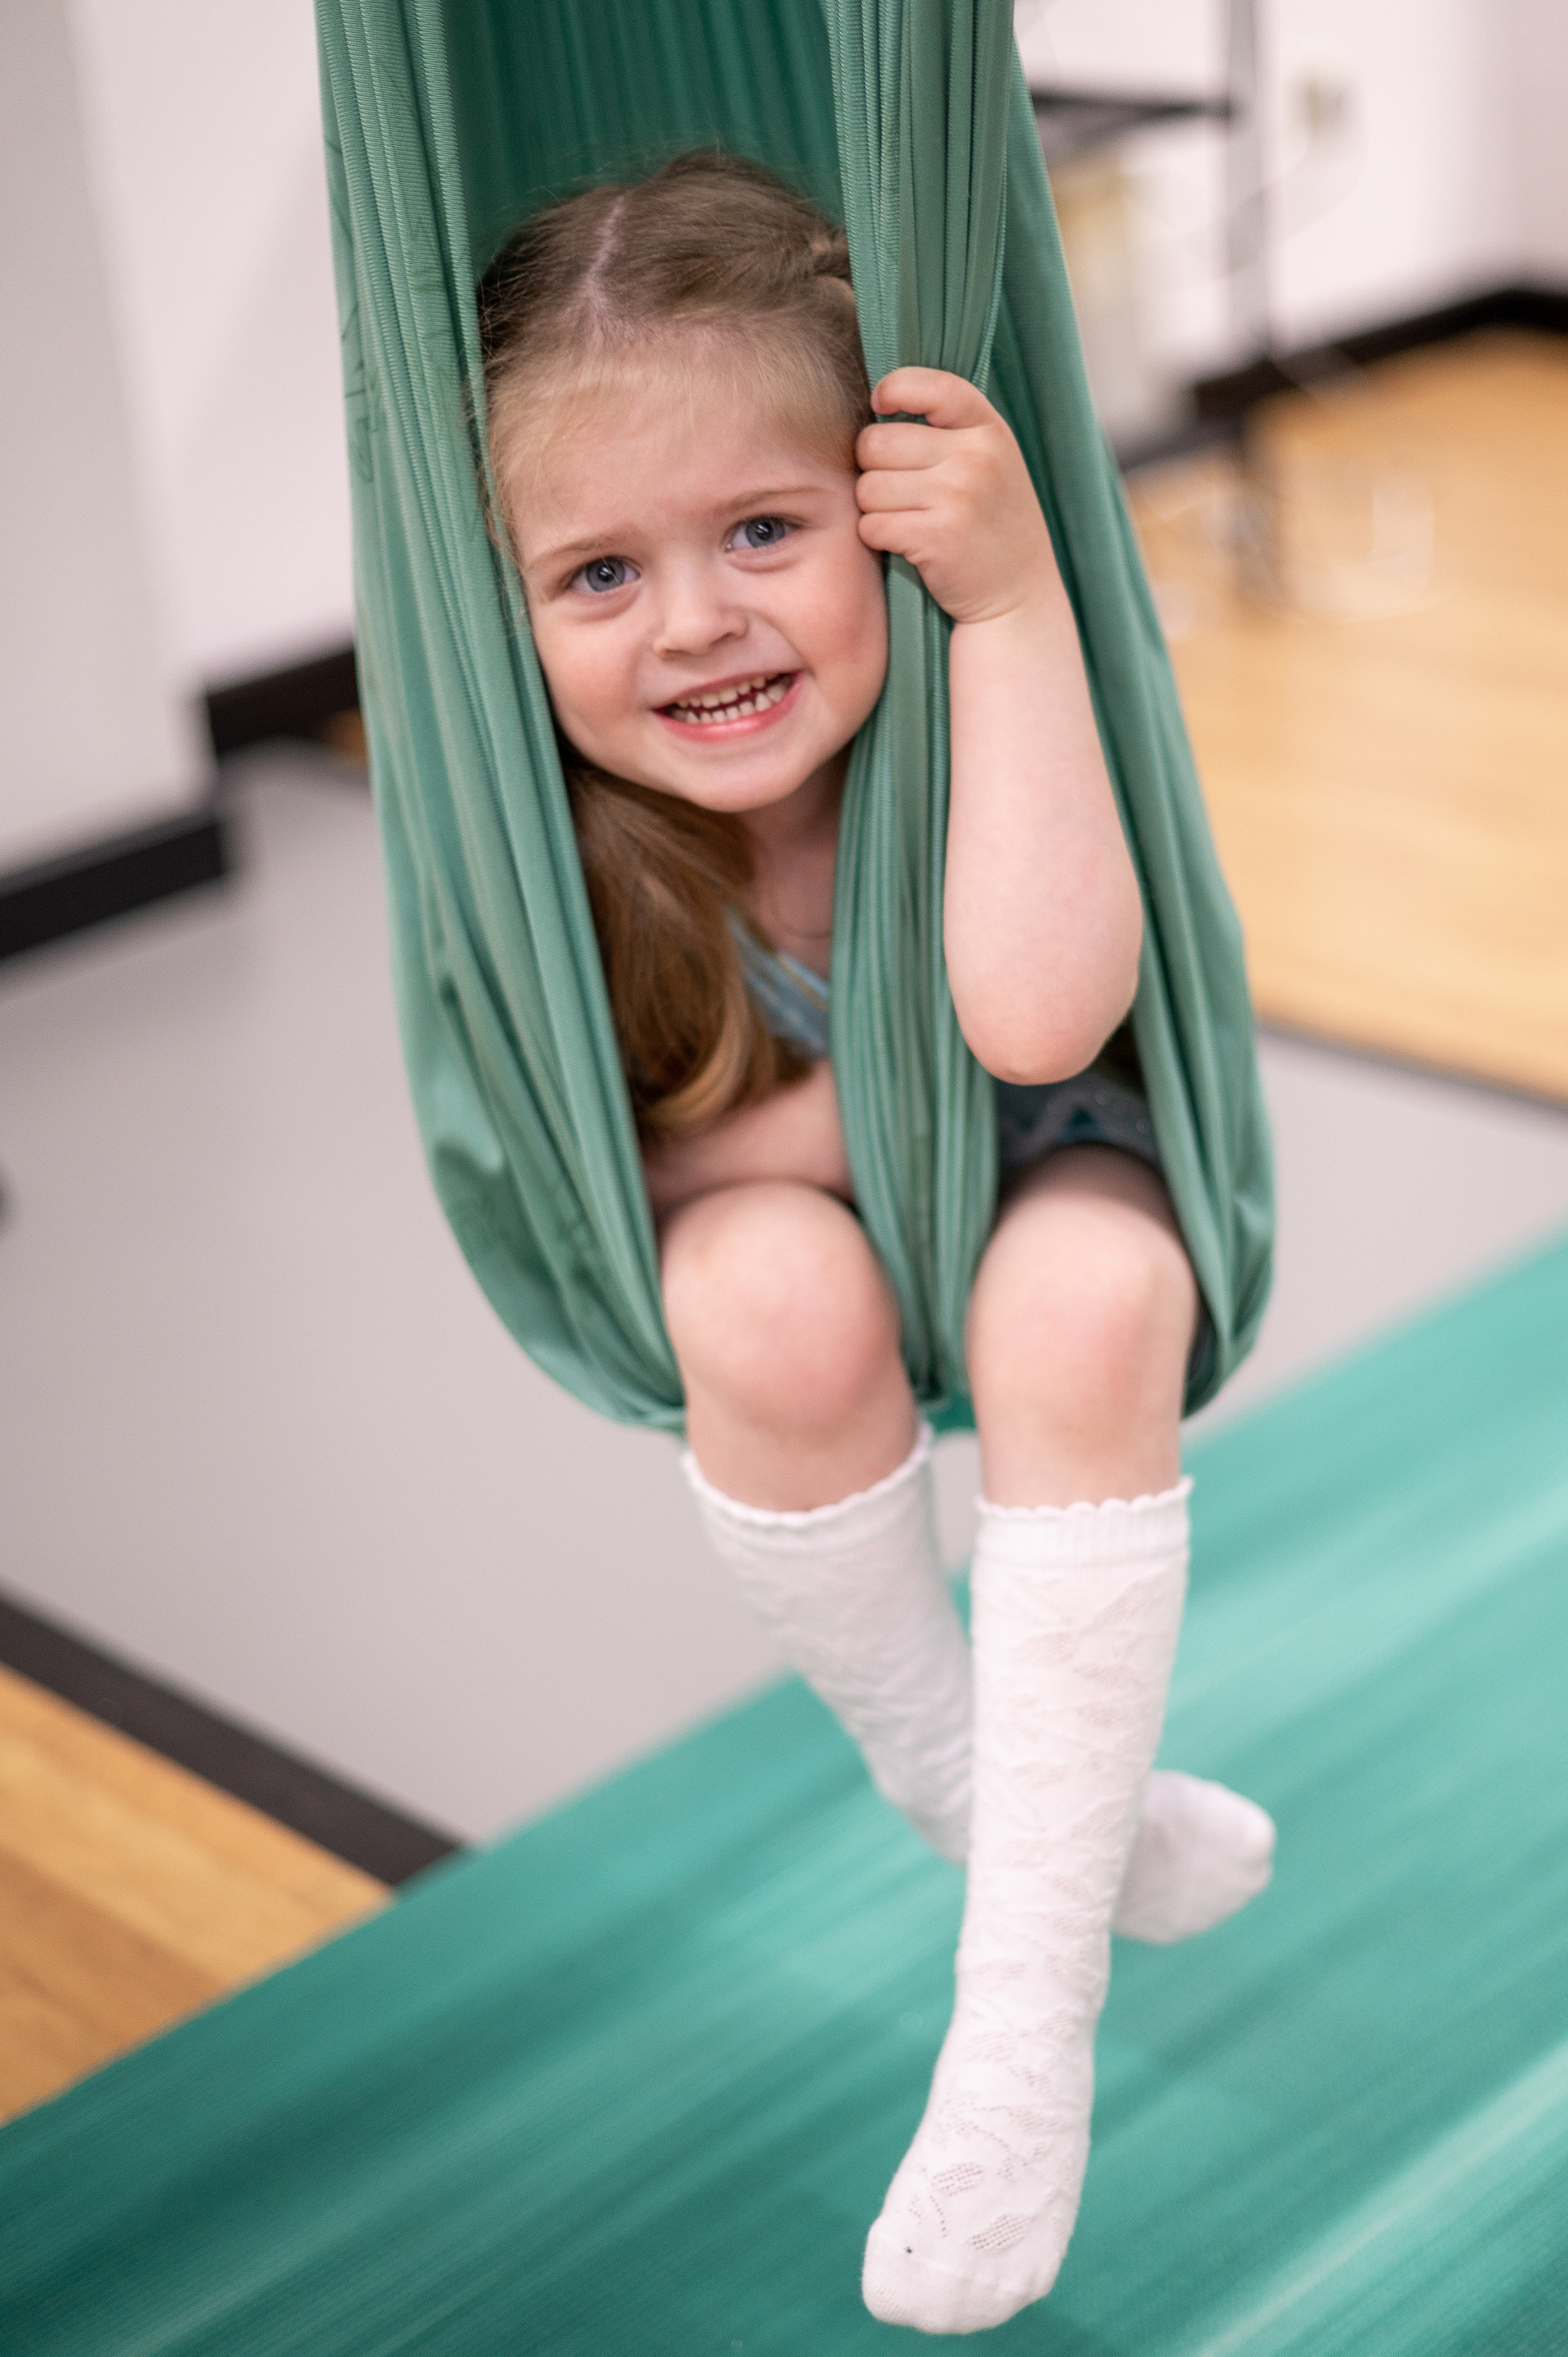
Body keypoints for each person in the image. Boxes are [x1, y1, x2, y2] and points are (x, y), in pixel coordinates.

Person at [478, 151, 1273, 2336]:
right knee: (758, 1286)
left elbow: (1034, 1023)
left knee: (1087, 1301)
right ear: (501, 612)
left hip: (1056, 1147)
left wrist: (1006, 613)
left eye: (763, 530)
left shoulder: (942, 693)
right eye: (600, 572)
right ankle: (985, 1787)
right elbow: (622, 1188)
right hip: (788, 1238)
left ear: (874, 512)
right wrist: (842, 1134)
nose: (694, 622)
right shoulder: (573, 844)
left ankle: (1020, 2036)